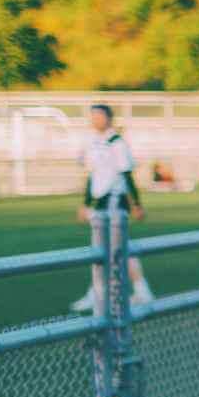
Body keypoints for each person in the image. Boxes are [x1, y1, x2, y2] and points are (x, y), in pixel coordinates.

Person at [71, 104, 155, 311]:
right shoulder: (92, 143)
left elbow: (127, 175)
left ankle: (125, 292)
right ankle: (109, 292)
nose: (95, 120)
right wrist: (85, 204)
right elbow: (93, 176)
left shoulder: (117, 143)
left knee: (114, 248)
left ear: (109, 118)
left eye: (99, 116)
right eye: (93, 116)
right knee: (108, 249)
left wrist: (136, 204)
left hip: (115, 200)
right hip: (101, 201)